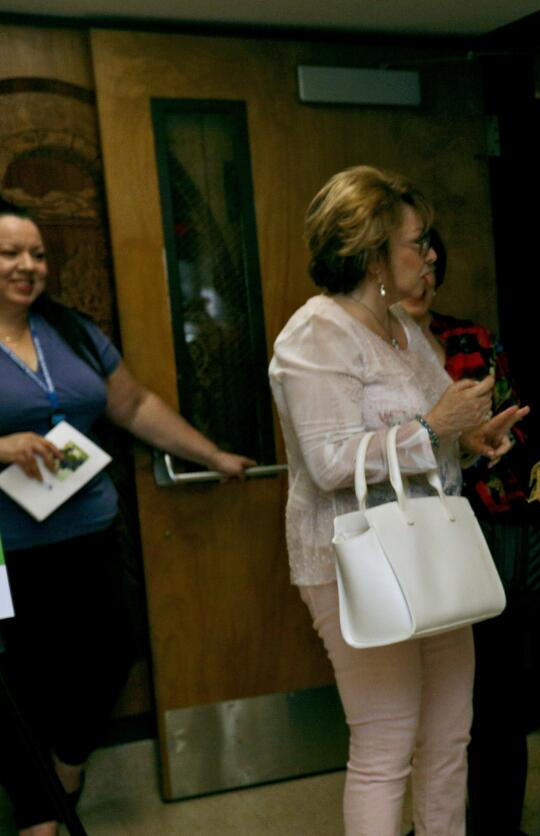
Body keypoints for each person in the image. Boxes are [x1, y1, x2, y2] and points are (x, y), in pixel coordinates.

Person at [268, 167, 526, 836]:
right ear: (371, 249)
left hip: (429, 551)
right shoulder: (315, 334)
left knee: (449, 739)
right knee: (385, 747)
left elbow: (432, 435)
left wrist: (471, 439)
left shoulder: (403, 332)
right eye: (417, 242)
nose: (431, 255)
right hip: (356, 562)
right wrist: (435, 429)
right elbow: (328, 463)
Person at [0, 197, 253, 836]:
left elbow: (134, 403)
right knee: (18, 684)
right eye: (9, 253)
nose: (27, 266)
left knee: (111, 653)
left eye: (37, 253)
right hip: (8, 551)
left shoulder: (73, 331)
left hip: (89, 531)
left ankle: (68, 768)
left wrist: (212, 454)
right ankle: (39, 819)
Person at [401, 229, 540, 836]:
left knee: (495, 691)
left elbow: (516, 423)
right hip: (409, 538)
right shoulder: (370, 352)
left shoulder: (467, 338)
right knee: (416, 700)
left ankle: (497, 823)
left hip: (484, 531)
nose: (426, 278)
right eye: (415, 263)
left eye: (434, 266)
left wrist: (492, 439)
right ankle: (436, 821)